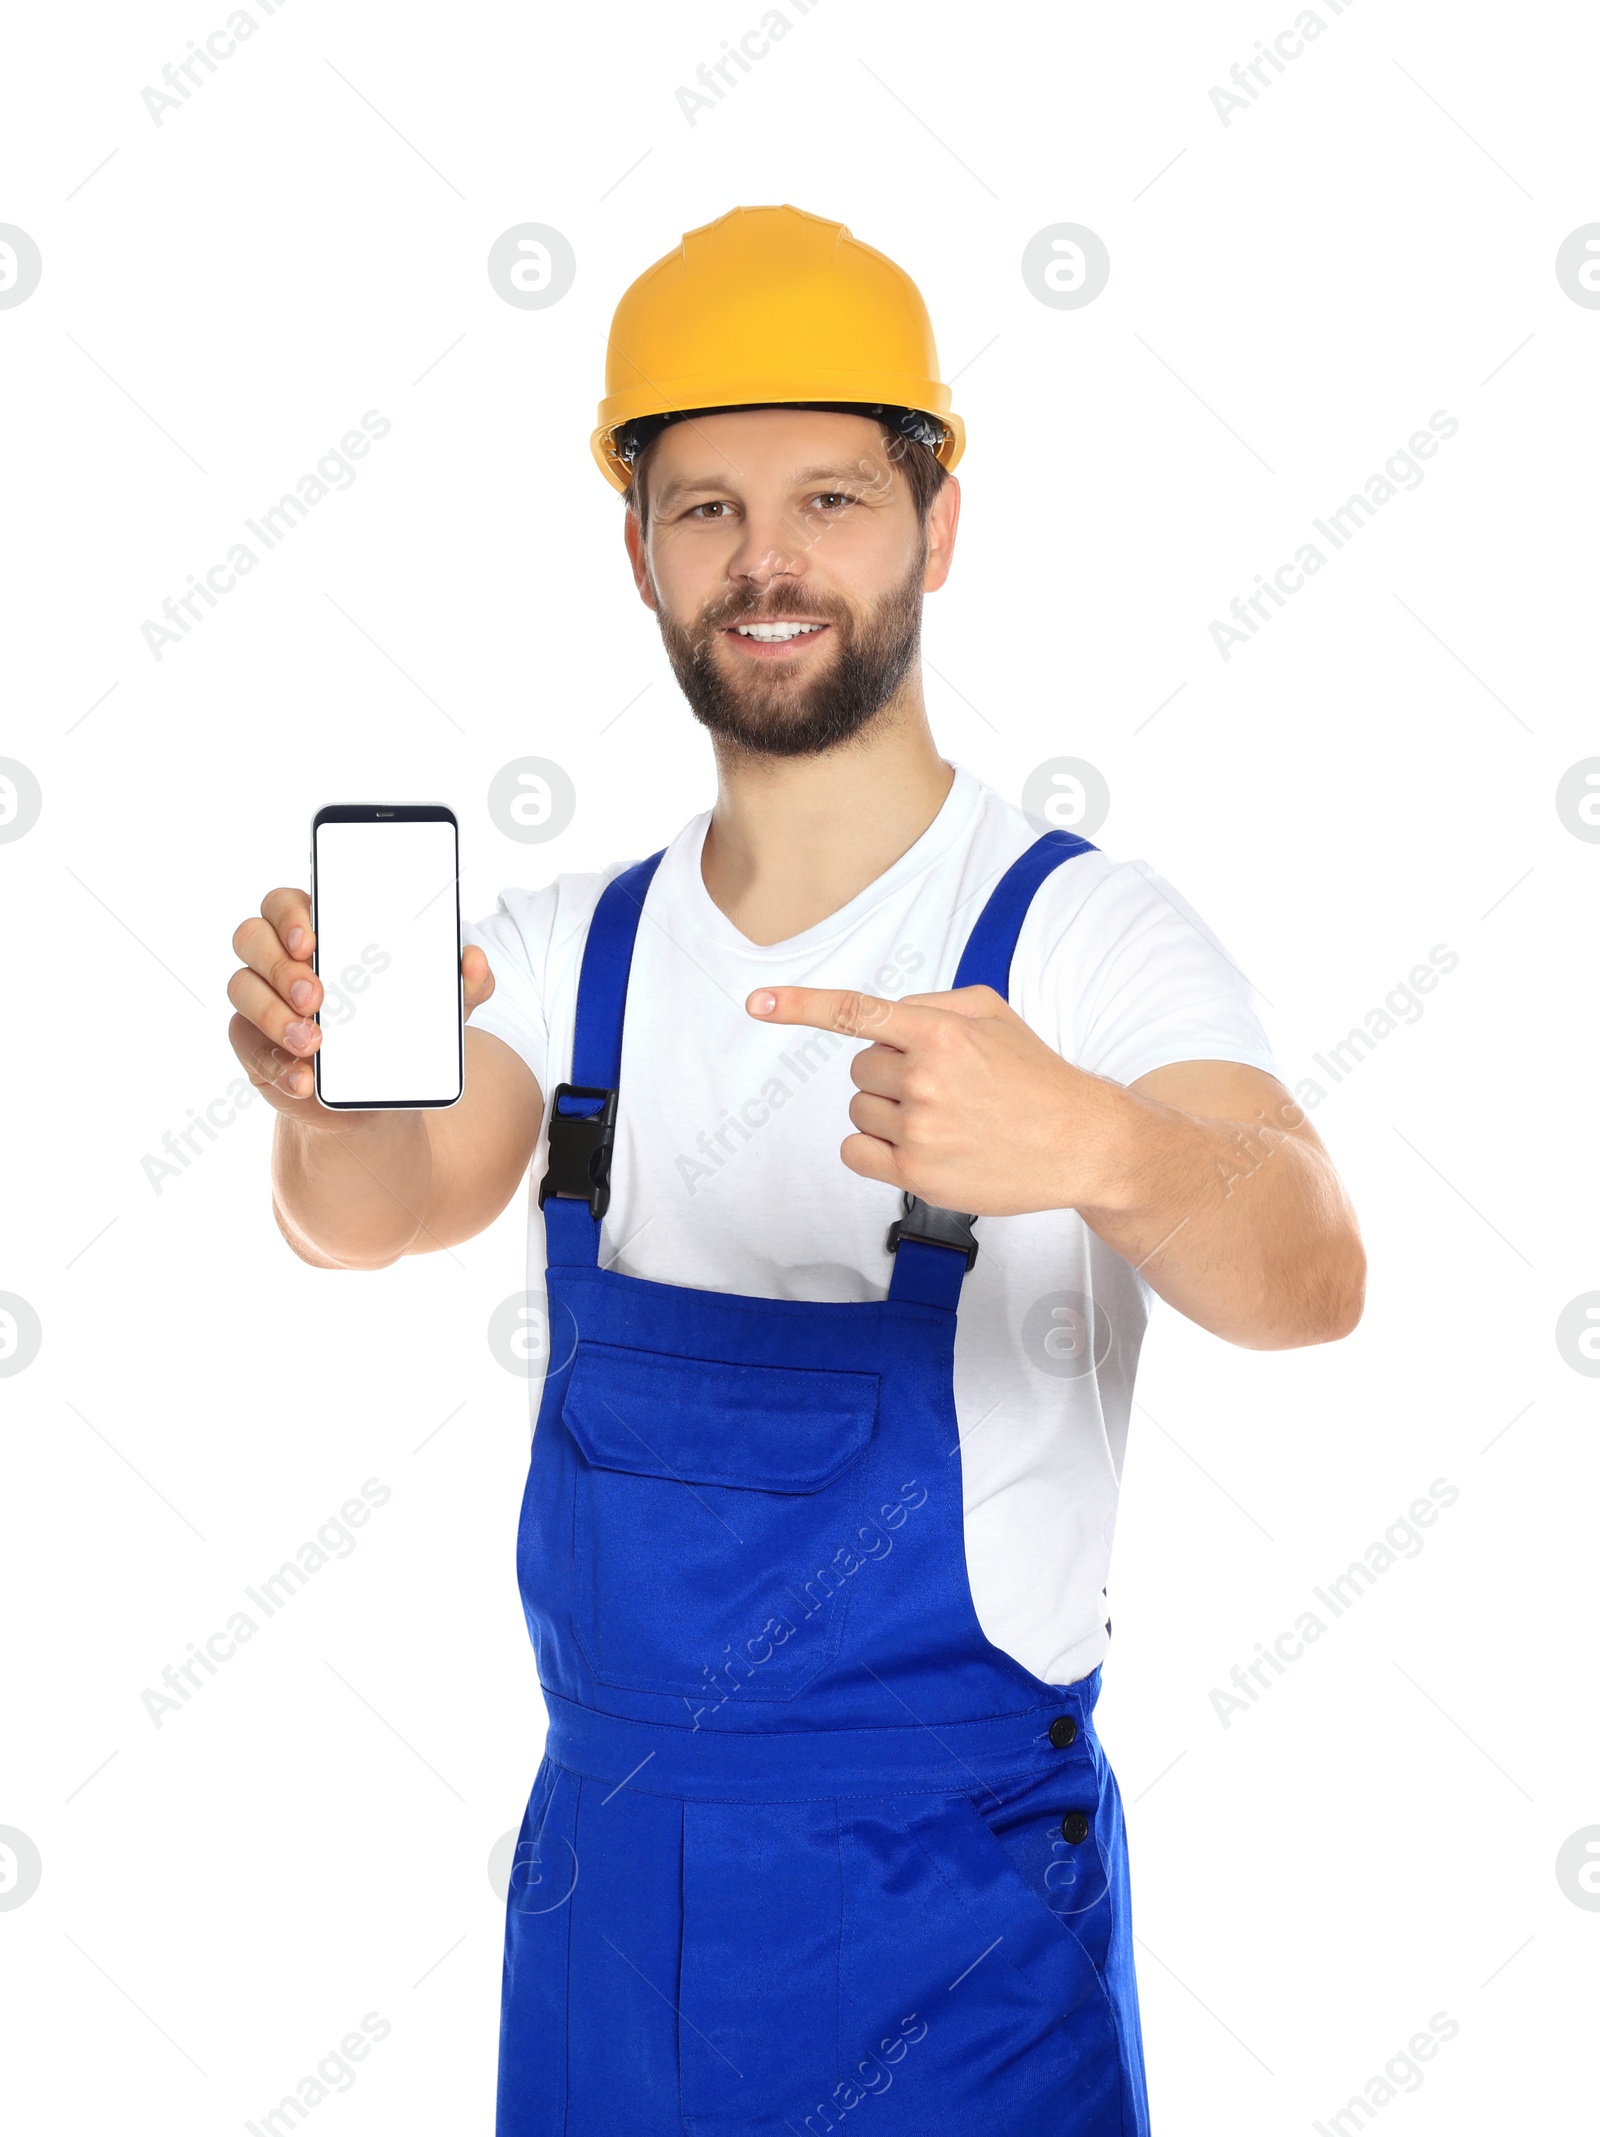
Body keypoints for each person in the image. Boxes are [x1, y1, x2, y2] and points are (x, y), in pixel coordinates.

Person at [227, 204, 1364, 2137]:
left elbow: (1313, 1267)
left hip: (959, 1938)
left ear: (937, 524)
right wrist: (323, 1098)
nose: (769, 561)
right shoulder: (567, 943)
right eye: (706, 508)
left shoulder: (1081, 938)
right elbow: (375, 1212)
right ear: (638, 551)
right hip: (603, 1931)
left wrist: (1090, 1136)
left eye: (832, 496)